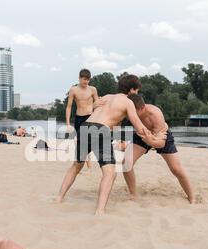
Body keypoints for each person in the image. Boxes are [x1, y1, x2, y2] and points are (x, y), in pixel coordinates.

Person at [56, 74, 167, 215]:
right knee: (110, 173)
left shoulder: (107, 96)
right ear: (132, 90)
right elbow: (139, 127)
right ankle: (100, 210)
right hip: (101, 130)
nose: (137, 94)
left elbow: (99, 112)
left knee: (76, 166)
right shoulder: (128, 102)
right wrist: (157, 136)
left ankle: (59, 198)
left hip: (85, 127)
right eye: (137, 91)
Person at [121, 94, 195, 204]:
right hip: (142, 135)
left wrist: (149, 140)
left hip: (160, 137)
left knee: (176, 169)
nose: (129, 115)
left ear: (142, 108)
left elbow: (160, 144)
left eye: (133, 111)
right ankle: (133, 194)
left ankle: (192, 197)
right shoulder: (128, 111)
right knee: (126, 163)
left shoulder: (155, 114)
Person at [66, 69, 100, 170]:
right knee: (81, 142)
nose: (86, 81)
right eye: (84, 79)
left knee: (90, 141)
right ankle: (78, 163)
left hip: (91, 117)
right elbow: (69, 106)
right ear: (79, 78)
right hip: (79, 118)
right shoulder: (73, 90)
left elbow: (98, 103)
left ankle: (88, 165)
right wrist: (68, 123)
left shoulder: (93, 89)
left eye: (88, 80)